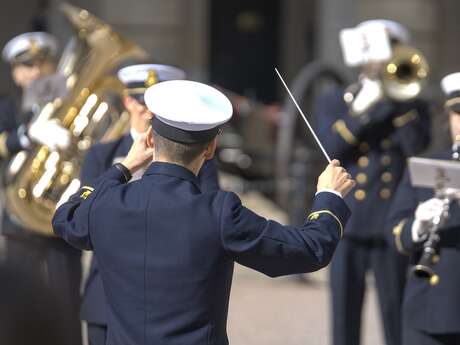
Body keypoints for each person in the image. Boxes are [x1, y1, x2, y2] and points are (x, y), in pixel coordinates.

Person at [53, 80, 355, 345]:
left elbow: (66, 216)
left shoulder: (108, 204)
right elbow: (309, 249)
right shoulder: (219, 211)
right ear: (210, 149)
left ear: (148, 140)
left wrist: (121, 168)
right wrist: (328, 197)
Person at [80, 63, 220, 345]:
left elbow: (208, 219)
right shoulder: (101, 154)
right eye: (141, 101)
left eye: (156, 103)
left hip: (172, 297)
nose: (148, 110)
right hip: (106, 295)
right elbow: (84, 220)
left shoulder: (196, 155)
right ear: (127, 102)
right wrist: (126, 168)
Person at [315, 20, 431, 345]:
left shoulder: (411, 103)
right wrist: (363, 111)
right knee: (344, 316)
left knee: (394, 313)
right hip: (347, 219)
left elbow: (415, 146)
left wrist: (395, 102)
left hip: (388, 220)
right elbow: (331, 149)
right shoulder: (336, 99)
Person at [0, 32, 80, 345]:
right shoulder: (8, 107)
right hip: (20, 217)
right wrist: (25, 136)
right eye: (28, 65)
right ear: (15, 72)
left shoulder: (71, 105)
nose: (36, 72)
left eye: (43, 63)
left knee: (68, 296)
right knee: (15, 296)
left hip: (61, 214)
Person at [386, 72, 460, 345]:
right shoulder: (427, 166)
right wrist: (418, 226)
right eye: (458, 113)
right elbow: (394, 230)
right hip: (428, 308)